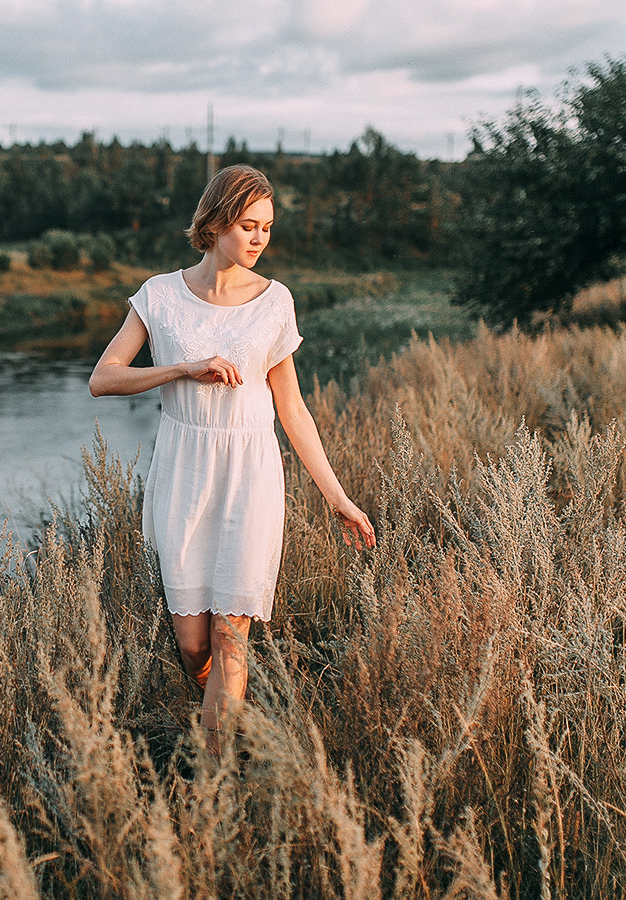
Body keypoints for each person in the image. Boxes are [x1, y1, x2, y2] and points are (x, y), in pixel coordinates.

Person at [89, 164, 376, 755]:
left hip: (250, 474)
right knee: (194, 643)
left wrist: (338, 498)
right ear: (215, 221)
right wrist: (181, 368)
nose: (258, 238)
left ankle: (214, 782)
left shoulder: (275, 303)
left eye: (267, 228)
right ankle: (223, 710)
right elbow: (103, 379)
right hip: (183, 472)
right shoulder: (159, 296)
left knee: (231, 635)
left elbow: (293, 410)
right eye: (247, 225)